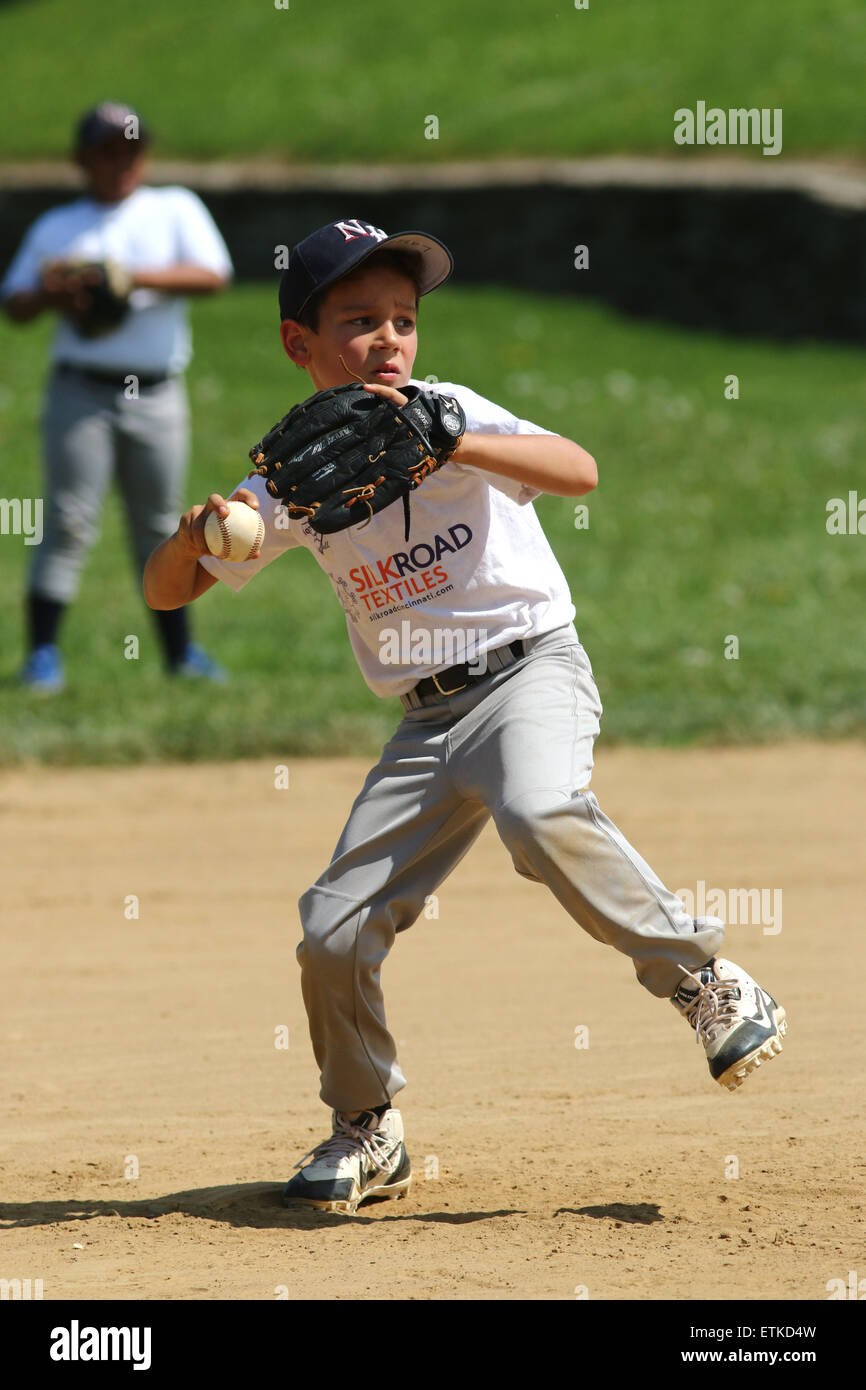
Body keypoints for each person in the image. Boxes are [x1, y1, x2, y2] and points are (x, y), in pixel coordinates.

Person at [143, 217, 788, 1216]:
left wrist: (457, 436)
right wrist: (192, 536)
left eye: (403, 318)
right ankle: (366, 1126)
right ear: (298, 344)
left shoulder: (444, 413)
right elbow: (170, 590)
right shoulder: (292, 472)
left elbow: (577, 469)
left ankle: (707, 982)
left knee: (535, 810)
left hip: (529, 669)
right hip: (422, 723)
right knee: (331, 927)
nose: (390, 338)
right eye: (359, 320)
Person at [1, 101, 233, 692]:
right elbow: (16, 302)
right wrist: (62, 291)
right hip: (81, 390)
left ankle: (181, 656)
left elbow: (213, 273)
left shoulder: (172, 207)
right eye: (107, 150)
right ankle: (43, 658)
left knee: (161, 525)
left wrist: (127, 275)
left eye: (131, 148)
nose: (121, 160)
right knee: (69, 521)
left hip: (156, 393)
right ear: (83, 160)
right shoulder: (60, 226)